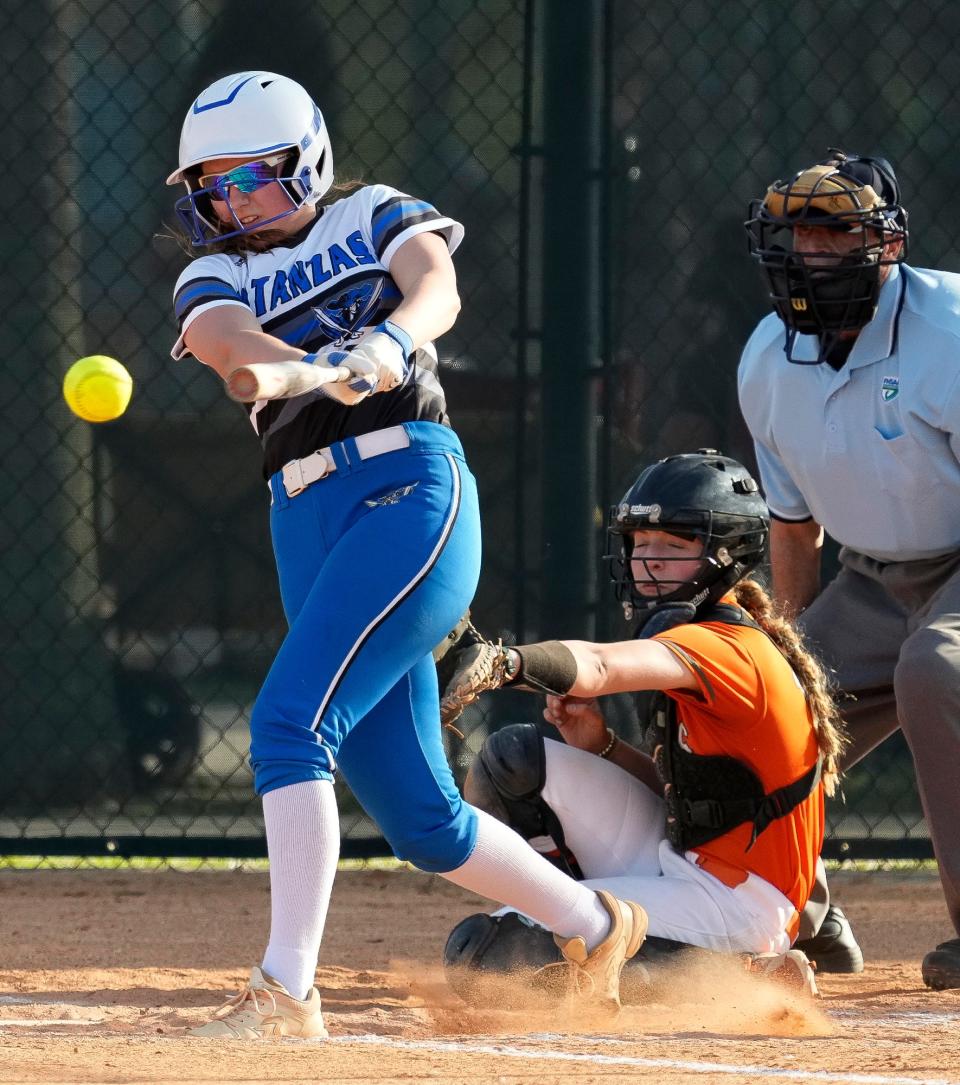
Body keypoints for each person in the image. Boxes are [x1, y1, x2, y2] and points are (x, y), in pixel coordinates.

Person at [166, 70, 649, 1038]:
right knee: (424, 821)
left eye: (250, 180)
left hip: (407, 487)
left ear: (306, 166)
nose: (232, 204)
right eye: (213, 189)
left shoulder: (373, 213)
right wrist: (278, 361)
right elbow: (226, 340)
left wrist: (388, 341)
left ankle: (285, 992)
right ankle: (597, 922)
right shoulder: (213, 270)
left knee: (289, 725)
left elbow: (437, 284)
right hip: (304, 517)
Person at [440, 450, 844, 999]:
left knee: (489, 957)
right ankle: (602, 932)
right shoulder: (705, 636)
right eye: (639, 544)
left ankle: (740, 973)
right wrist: (600, 745)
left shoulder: (730, 647)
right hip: (680, 863)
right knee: (515, 760)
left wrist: (507, 663)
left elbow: (600, 666)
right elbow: (691, 800)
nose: (647, 561)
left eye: (674, 547)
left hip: (741, 903)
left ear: (727, 556)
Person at [740, 148, 960, 990]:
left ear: (889, 244)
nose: (810, 249)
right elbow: (795, 533)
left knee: (936, 667)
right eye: (797, 230)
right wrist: (781, 653)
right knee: (763, 698)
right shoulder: (768, 360)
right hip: (868, 579)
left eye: (833, 228)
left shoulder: (946, 331)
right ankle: (798, 914)